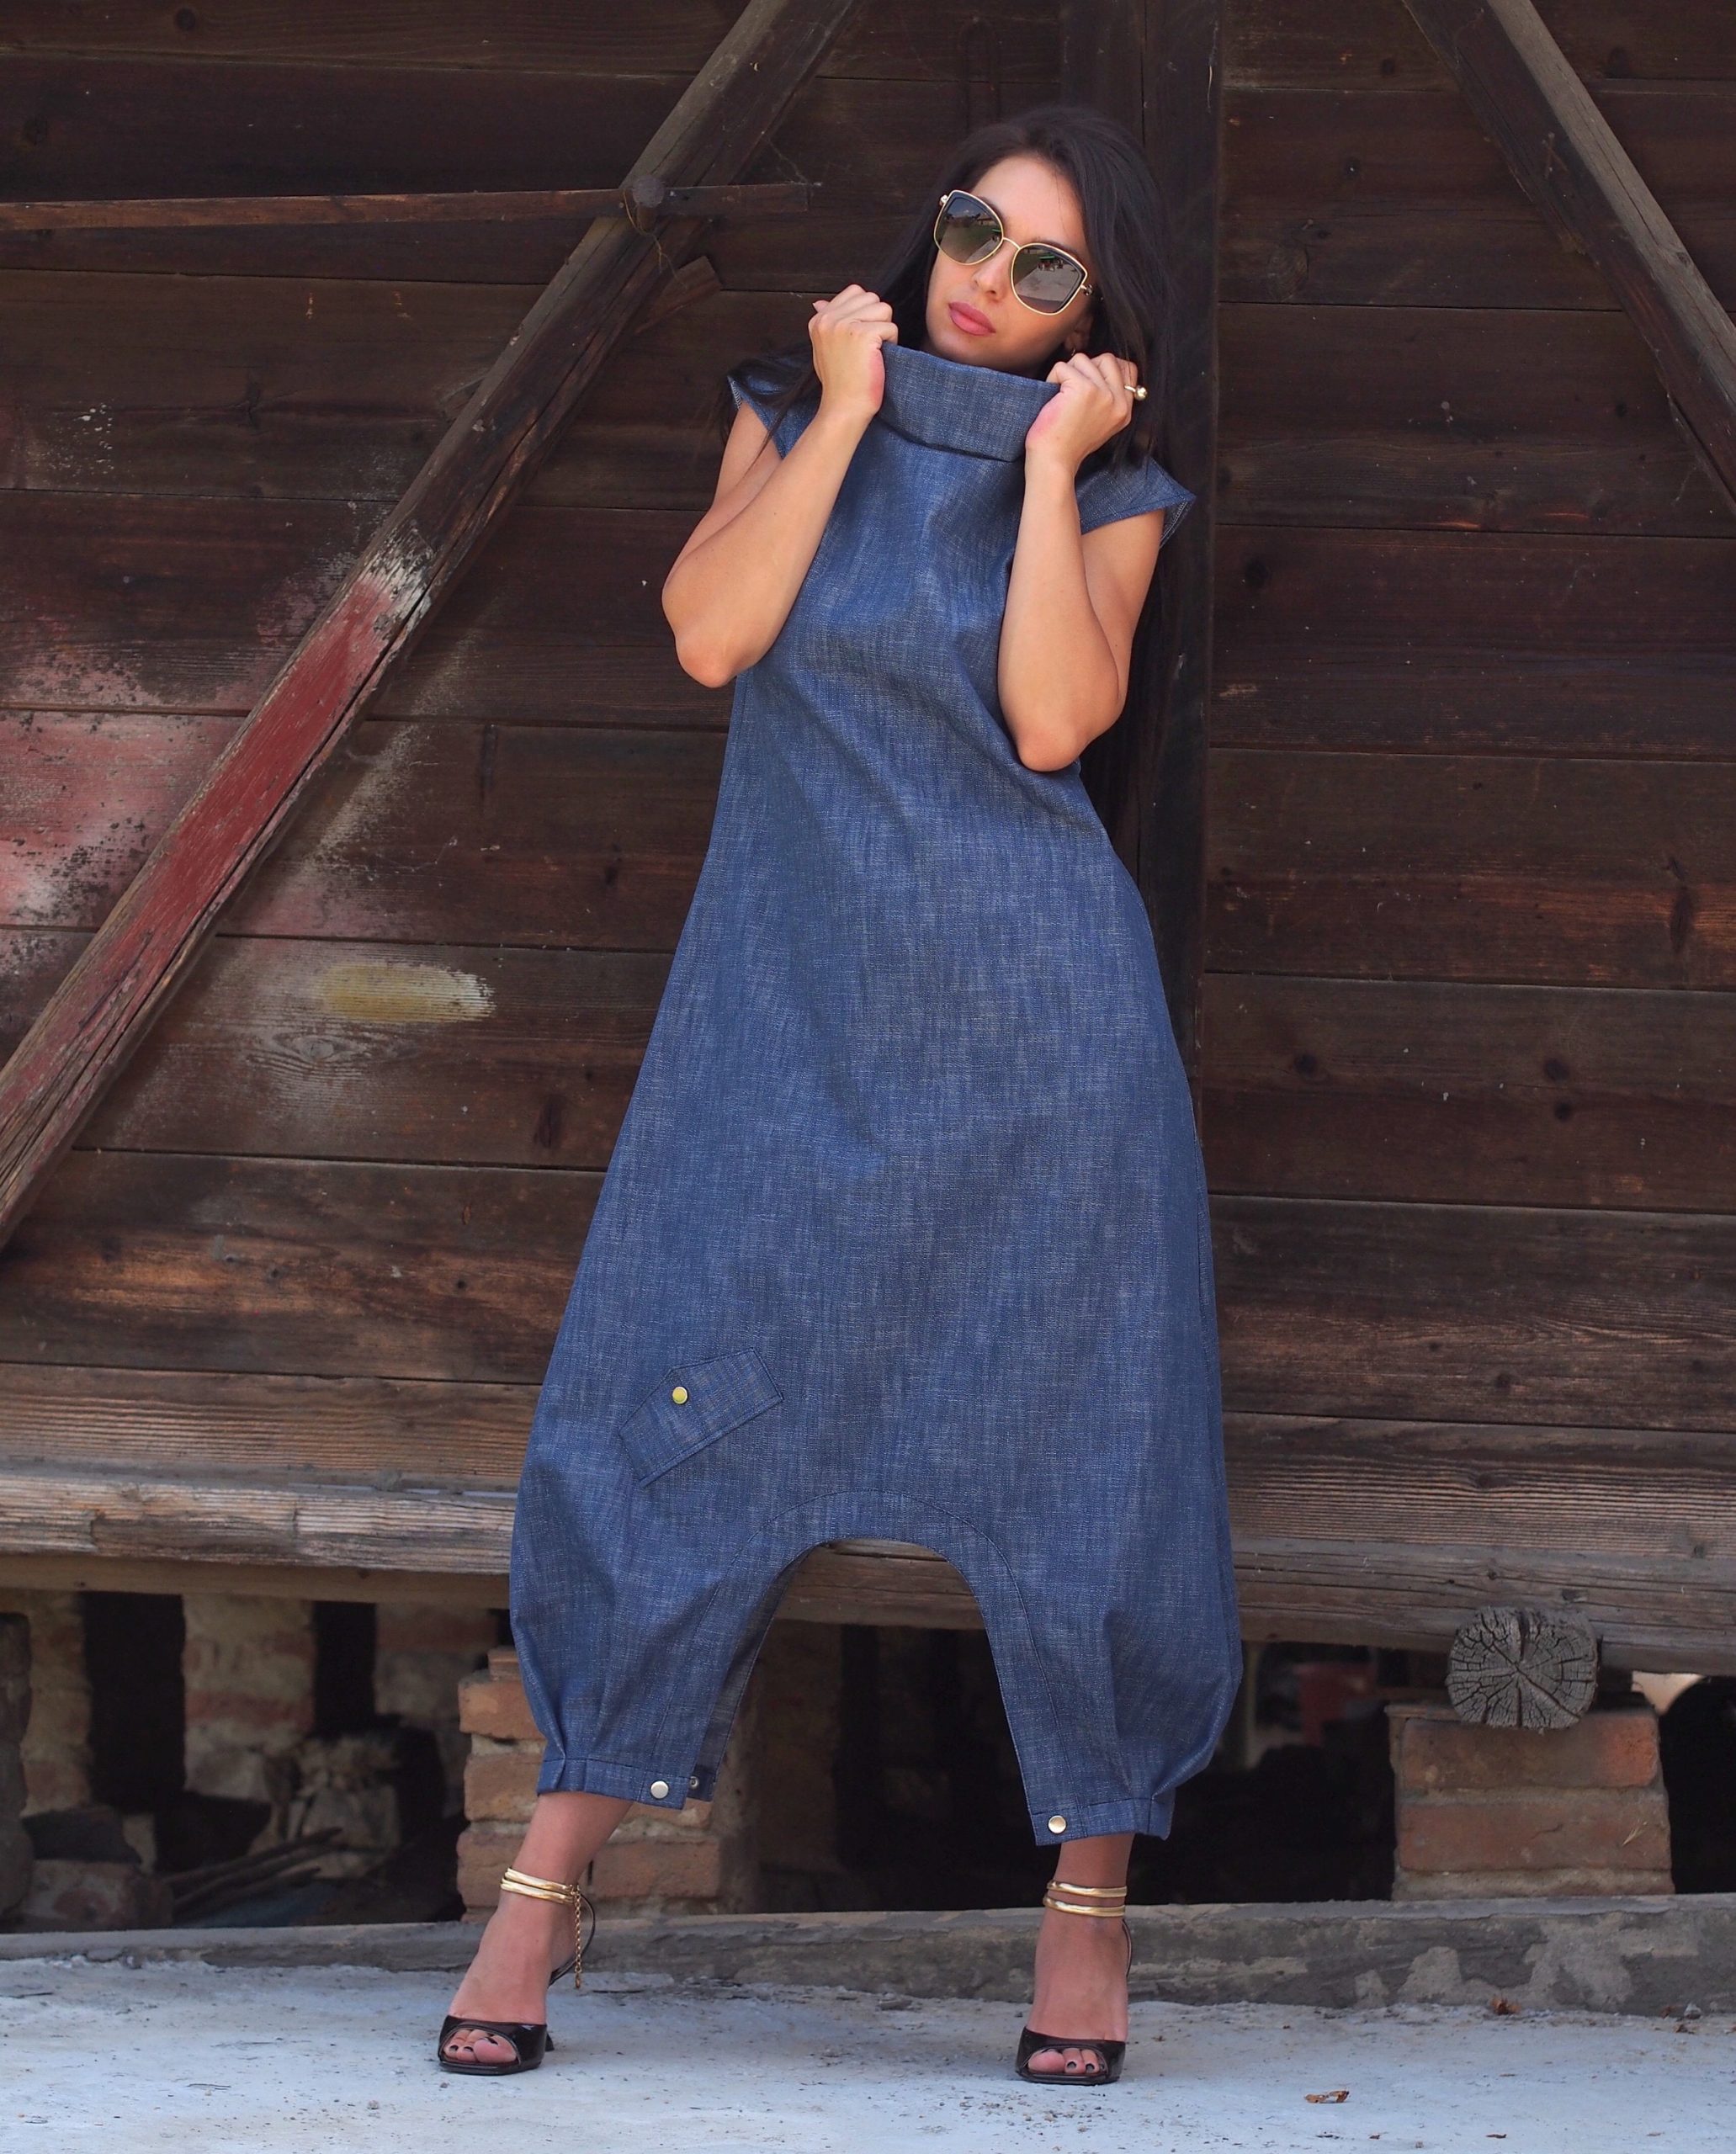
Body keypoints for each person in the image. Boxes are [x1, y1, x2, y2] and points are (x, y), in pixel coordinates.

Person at [437, 103, 1242, 2088]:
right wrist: (844, 413)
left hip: (1039, 1046)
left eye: (1045, 267)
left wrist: (1045, 469)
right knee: (678, 1390)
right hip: (783, 1018)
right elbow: (714, 631)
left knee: (1083, 1445)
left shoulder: (1116, 492)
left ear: (1094, 317)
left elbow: (1051, 719)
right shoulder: (792, 411)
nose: (987, 279)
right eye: (972, 229)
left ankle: (1085, 1913)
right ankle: (541, 1887)